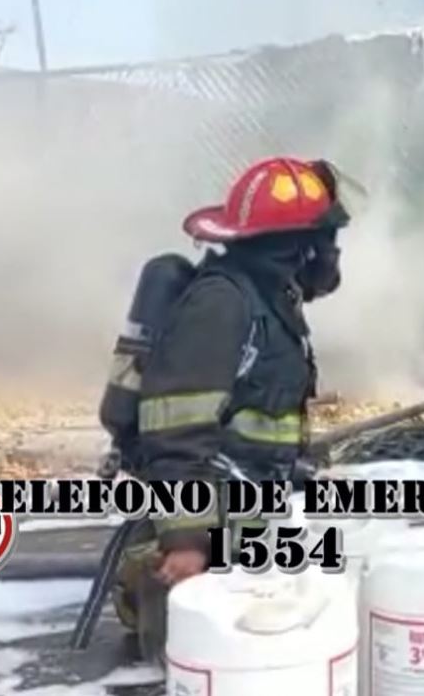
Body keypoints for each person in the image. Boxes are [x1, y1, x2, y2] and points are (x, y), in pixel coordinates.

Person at [111, 156, 349, 659]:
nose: (331, 256)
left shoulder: (269, 300)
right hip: (211, 538)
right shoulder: (222, 304)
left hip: (250, 527)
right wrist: (186, 539)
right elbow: (175, 428)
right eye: (325, 242)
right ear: (296, 247)